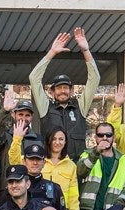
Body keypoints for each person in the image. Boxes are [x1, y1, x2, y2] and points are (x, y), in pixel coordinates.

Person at [30, 28, 99, 157]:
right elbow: (34, 78)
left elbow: (94, 79)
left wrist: (85, 50)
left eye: (66, 87)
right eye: (59, 88)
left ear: (71, 90)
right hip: (52, 166)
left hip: (76, 167)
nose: (63, 91)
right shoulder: (46, 107)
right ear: (52, 91)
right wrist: (52, 52)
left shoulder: (81, 107)